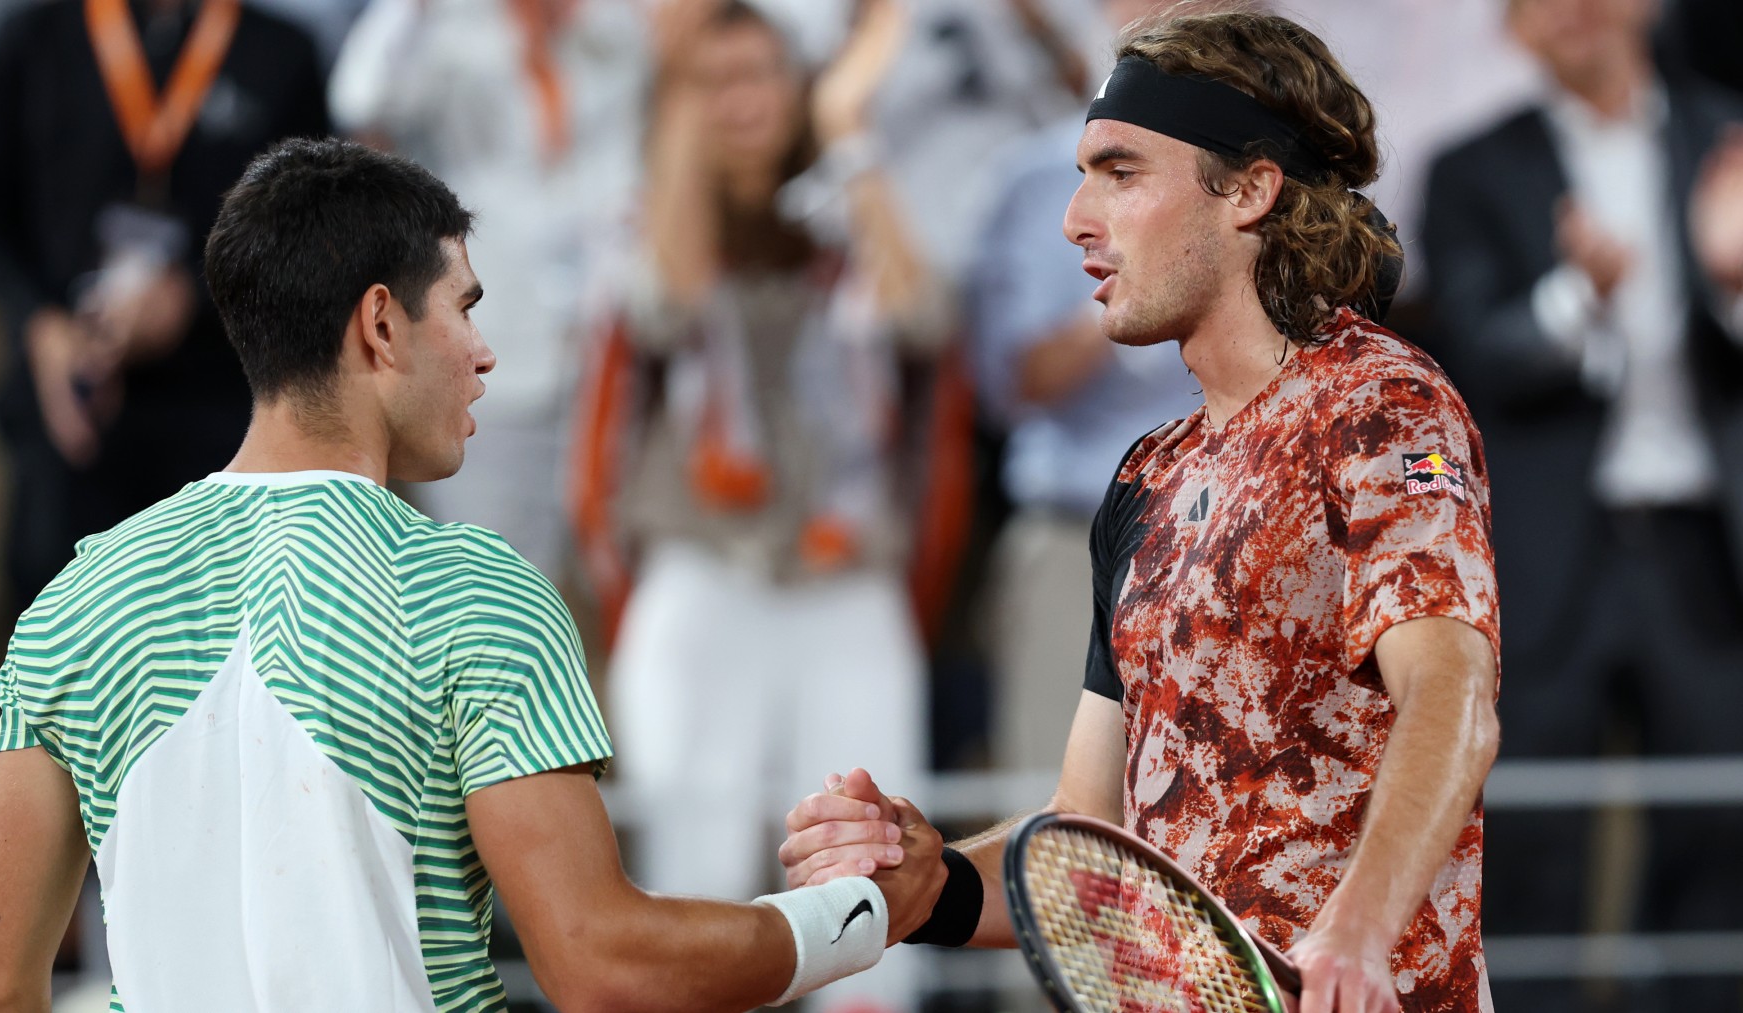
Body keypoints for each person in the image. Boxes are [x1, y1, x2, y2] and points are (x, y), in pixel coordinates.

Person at [0, 138, 943, 1013]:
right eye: (464, 308)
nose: (484, 354)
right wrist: (861, 912)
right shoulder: (474, 588)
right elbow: (604, 965)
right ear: (381, 325)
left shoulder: (75, 603)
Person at [779, 10, 1502, 1013]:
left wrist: (1360, 926)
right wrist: (928, 883)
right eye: (1083, 173)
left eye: (1121, 173)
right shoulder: (1143, 478)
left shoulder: (1385, 407)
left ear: (1250, 189)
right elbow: (1090, 833)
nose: (1077, 217)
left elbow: (1452, 695)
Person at [572, 3, 956, 1010]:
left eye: (763, 78)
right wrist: (682, 123)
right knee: (693, 851)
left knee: (869, 849)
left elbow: (921, 315)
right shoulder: (652, 209)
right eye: (718, 81)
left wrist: (847, 133)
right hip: (704, 570)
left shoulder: (852, 201)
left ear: (799, 90)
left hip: (846, 577)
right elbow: (667, 298)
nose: (743, 102)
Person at [1421, 0, 1743, 1008]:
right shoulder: (1473, 167)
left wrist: (1732, 281)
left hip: (1702, 544)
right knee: (1529, 833)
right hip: (1547, 551)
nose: (1571, 13)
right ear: (1512, 28)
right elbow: (1476, 352)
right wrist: (1576, 296)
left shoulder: (1723, 139)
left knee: (1716, 823)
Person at [0, 0, 330, 621]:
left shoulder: (280, 53)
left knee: (216, 643)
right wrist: (42, 326)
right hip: (70, 403)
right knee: (65, 624)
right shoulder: (32, 40)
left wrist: (199, 294)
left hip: (223, 411)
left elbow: (313, 234)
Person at [327, 0, 651, 574]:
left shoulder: (619, 30)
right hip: (491, 354)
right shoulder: (449, 31)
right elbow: (361, 98)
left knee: (622, 567)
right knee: (492, 570)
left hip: (615, 348)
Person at [969, 0, 1205, 776]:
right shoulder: (1039, 175)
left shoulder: (1276, 173)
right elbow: (1010, 384)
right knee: (1059, 822)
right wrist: (1135, 285)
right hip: (1078, 535)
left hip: (1239, 530)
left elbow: (1418, 458)